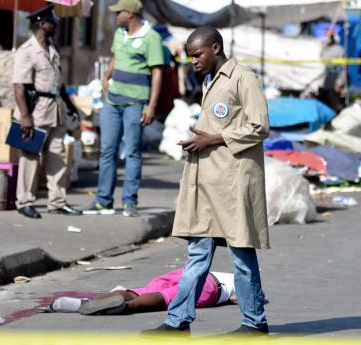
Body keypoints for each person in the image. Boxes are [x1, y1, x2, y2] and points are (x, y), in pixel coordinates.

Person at [142, 27, 270, 336]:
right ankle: (178, 321)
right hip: (207, 181)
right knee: (198, 254)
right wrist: (200, 140)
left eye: (197, 55)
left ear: (215, 47)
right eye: (190, 56)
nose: (193, 61)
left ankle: (255, 322)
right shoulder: (208, 80)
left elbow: (260, 126)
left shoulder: (243, 78)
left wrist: (215, 138)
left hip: (233, 182)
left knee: (241, 253)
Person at [82, 0, 164, 217]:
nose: (115, 16)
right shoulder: (120, 33)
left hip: (136, 102)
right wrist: (106, 77)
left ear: (130, 13)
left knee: (133, 152)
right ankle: (103, 201)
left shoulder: (152, 37)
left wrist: (151, 105)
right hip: (113, 101)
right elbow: (116, 57)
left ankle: (130, 202)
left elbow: (157, 72)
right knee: (107, 150)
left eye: (118, 12)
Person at [12, 5, 82, 219]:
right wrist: (25, 116)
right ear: (42, 25)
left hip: (56, 108)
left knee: (57, 155)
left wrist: (71, 108)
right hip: (36, 110)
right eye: (52, 21)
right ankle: (24, 201)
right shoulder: (27, 51)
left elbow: (59, 83)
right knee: (30, 155)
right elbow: (19, 86)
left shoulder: (53, 49)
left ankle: (57, 201)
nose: (56, 24)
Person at [42, 269, 236, 315]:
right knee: (166, 298)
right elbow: (239, 297)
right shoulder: (248, 283)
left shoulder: (234, 273)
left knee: (141, 291)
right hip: (211, 286)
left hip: (191, 269)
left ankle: (82, 302)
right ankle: (125, 307)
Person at [319, 31, 346, 113]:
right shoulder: (321, 47)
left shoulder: (339, 49)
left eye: (329, 37)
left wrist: (339, 83)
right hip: (320, 82)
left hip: (333, 82)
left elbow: (343, 68)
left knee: (334, 104)